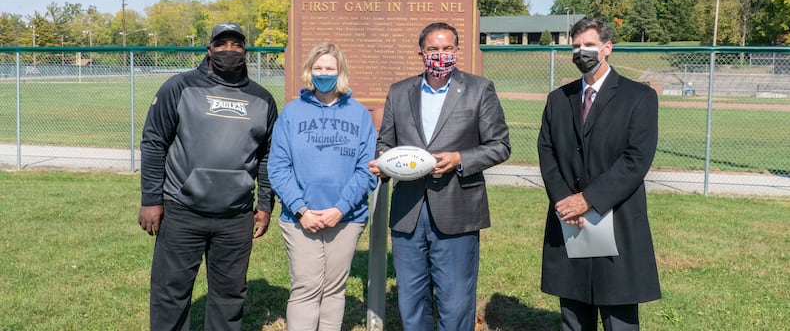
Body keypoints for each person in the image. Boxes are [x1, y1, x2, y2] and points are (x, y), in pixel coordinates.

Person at [369, 22, 511, 330]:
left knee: (456, 300)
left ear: (458, 51)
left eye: (447, 48)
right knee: (411, 298)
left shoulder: (479, 89)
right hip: (409, 210)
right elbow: (386, 143)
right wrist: (385, 162)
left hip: (457, 209)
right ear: (421, 52)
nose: (440, 55)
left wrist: (461, 159)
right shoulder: (399, 91)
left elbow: (500, 146)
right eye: (433, 49)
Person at [137, 22, 279, 331]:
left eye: (236, 44)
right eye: (222, 43)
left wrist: (265, 204)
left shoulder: (262, 99)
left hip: (236, 215)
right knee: (170, 293)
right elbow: (153, 143)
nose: (229, 50)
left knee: (229, 295)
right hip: (181, 210)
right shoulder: (179, 87)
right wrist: (151, 200)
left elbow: (268, 155)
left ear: (245, 50)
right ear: (209, 49)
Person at [537, 17, 661, 331]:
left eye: (589, 45)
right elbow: (546, 151)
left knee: (619, 319)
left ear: (607, 48)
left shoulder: (639, 98)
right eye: (576, 46)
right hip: (570, 221)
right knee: (573, 317)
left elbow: (636, 159)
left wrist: (589, 199)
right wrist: (566, 200)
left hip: (616, 219)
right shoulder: (557, 100)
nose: (581, 52)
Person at [268, 42, 378, 330]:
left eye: (330, 68)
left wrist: (340, 209)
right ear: (309, 71)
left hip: (346, 218)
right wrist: (301, 209)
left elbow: (366, 169)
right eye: (318, 68)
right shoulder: (292, 113)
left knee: (333, 289)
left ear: (340, 72)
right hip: (300, 218)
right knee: (306, 287)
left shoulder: (358, 114)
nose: (324, 73)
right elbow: (278, 167)